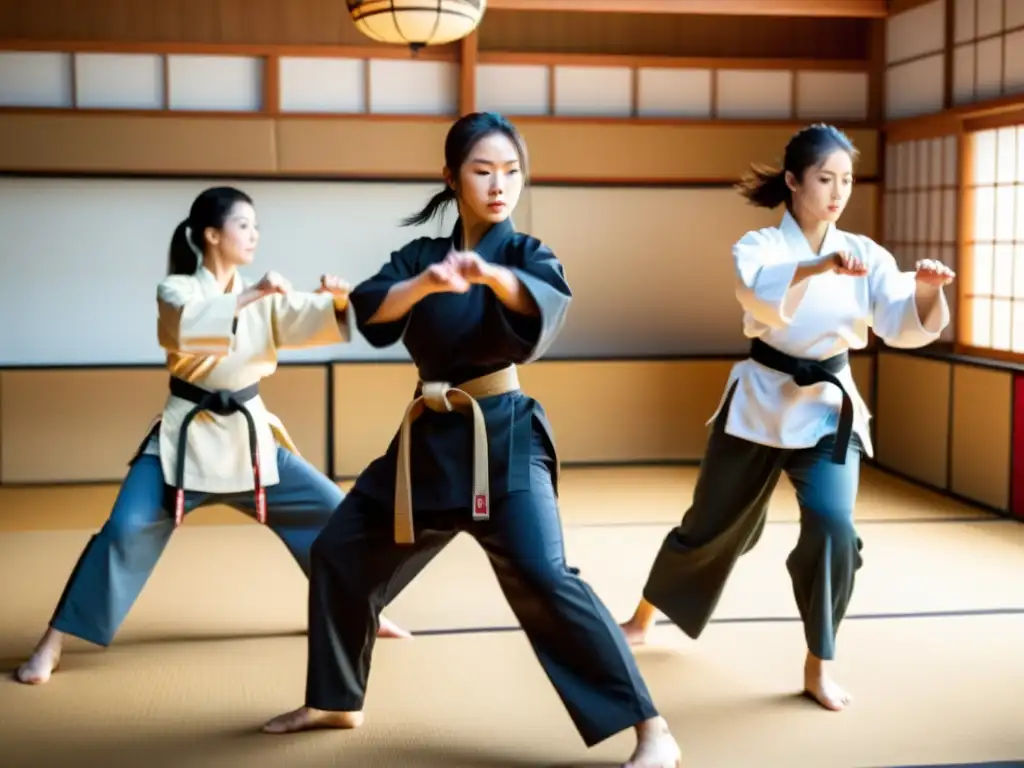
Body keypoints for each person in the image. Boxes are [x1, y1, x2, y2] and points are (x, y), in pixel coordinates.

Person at [260, 112, 682, 768]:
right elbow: (373, 304)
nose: (499, 185)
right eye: (483, 170)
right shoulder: (422, 257)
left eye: (511, 172)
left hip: (503, 437)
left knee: (546, 577)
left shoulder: (525, 254)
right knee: (340, 551)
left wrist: (489, 278)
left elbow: (542, 301)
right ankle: (336, 698)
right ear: (451, 177)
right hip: (426, 444)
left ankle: (653, 729)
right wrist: (423, 284)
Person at [618, 123, 955, 712]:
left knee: (833, 527)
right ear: (794, 181)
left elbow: (903, 321)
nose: (838, 192)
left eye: (846, 180)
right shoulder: (760, 247)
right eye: (825, 178)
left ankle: (818, 663)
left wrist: (926, 289)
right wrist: (817, 266)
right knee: (710, 523)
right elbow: (759, 298)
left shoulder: (868, 255)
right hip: (760, 401)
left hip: (829, 407)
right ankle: (645, 614)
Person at [16, 185, 410, 686]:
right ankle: (52, 643)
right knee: (122, 531)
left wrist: (334, 301)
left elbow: (305, 319)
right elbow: (187, 329)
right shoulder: (177, 290)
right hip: (185, 440)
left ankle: (363, 609)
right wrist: (253, 295)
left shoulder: (262, 297)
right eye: (244, 225)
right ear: (210, 234)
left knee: (336, 515)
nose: (254, 235)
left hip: (250, 442)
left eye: (256, 226)